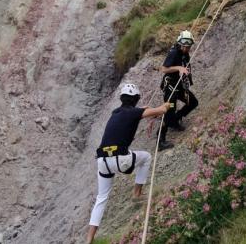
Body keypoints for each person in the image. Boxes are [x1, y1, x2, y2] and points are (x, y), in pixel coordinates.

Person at [85, 83, 171, 244]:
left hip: (102, 161)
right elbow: (161, 111)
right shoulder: (134, 113)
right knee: (146, 157)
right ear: (135, 99)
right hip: (120, 160)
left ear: (122, 99)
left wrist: (143, 110)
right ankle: (137, 194)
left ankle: (89, 238)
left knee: (101, 197)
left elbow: (135, 112)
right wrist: (165, 105)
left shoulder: (115, 112)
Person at [157, 30, 198, 151]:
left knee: (193, 102)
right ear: (180, 44)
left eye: (189, 46)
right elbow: (164, 69)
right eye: (185, 46)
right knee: (168, 112)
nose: (187, 48)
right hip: (170, 87)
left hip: (179, 86)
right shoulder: (174, 53)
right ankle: (160, 140)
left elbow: (185, 65)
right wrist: (179, 68)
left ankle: (175, 120)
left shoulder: (185, 54)